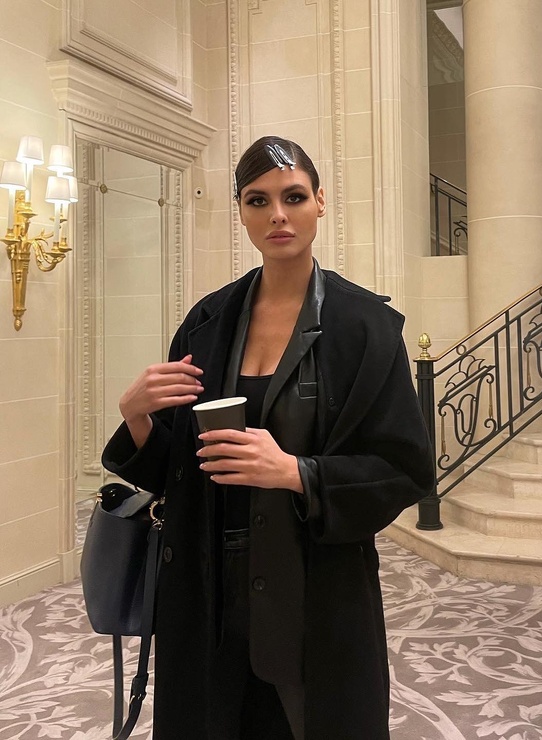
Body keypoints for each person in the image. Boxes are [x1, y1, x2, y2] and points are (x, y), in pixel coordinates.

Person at [102, 135, 435, 740]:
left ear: (320, 202)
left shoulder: (365, 328)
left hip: (311, 585)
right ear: (241, 211)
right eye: (258, 200)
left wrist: (296, 472)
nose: (277, 215)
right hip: (207, 582)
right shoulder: (207, 321)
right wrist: (138, 418)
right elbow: (180, 470)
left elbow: (404, 469)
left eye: (294, 197)